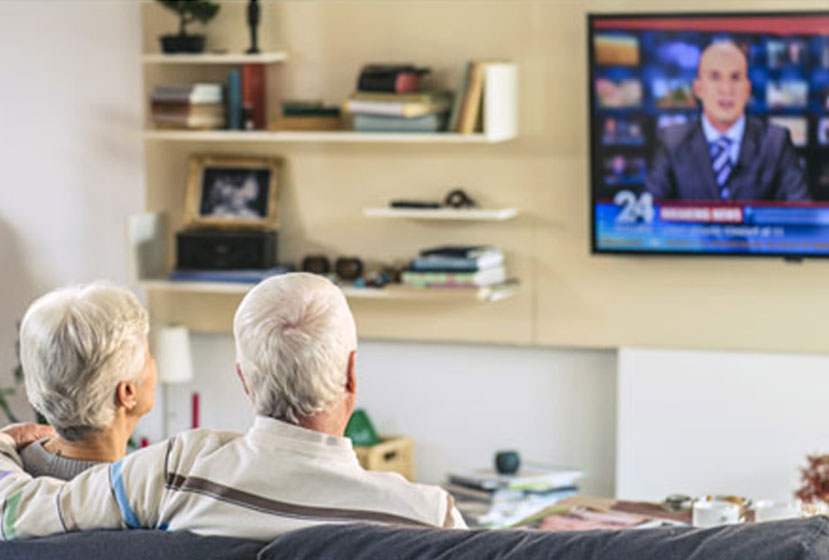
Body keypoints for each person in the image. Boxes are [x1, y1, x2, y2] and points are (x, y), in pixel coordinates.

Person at [0, 273, 466, 541]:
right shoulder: (429, 518)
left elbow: (22, 512)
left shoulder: (176, 472)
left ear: (244, 379)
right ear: (351, 375)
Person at [15, 282, 157, 479]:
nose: (153, 362)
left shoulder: (12, 464)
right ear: (126, 393)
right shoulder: (140, 499)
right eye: (148, 355)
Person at [645, 40, 810, 202]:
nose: (726, 89)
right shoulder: (672, 141)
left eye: (735, 77)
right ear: (698, 88)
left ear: (747, 89)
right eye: (715, 77)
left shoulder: (775, 142)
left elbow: (800, 213)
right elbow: (648, 213)